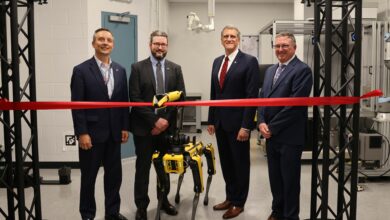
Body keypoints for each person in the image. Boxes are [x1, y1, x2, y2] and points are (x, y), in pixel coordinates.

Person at [71, 28, 129, 220]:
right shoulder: (81, 70)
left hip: (113, 134)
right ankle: (87, 214)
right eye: (101, 39)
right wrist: (82, 133)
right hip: (92, 135)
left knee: (114, 178)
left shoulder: (120, 70)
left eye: (109, 40)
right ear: (94, 43)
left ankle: (112, 213)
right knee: (88, 179)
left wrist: (124, 127)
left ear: (113, 44)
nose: (105, 43)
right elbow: (77, 105)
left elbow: (123, 102)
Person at [129, 30, 186, 220]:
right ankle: (142, 207)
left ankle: (163, 201)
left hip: (166, 129)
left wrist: (164, 122)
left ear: (167, 46)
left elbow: (180, 98)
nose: (160, 47)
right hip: (144, 129)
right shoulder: (137, 68)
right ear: (150, 45)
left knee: (164, 167)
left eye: (163, 44)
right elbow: (135, 98)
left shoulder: (175, 68)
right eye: (156, 44)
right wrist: (154, 121)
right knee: (142, 169)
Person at [258, 32, 313, 220]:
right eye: (277, 46)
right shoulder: (270, 71)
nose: (280, 50)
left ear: (294, 48)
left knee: (289, 181)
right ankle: (277, 211)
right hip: (270, 135)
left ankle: (290, 216)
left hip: (289, 136)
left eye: (285, 46)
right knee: (275, 179)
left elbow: (294, 106)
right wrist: (261, 122)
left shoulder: (302, 70)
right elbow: (263, 98)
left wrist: (271, 127)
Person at [207, 25, 260, 219]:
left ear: (238, 40)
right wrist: (211, 119)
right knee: (227, 164)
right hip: (220, 123)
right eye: (226, 36)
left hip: (238, 125)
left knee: (240, 164)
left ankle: (239, 203)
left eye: (233, 36)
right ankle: (230, 197)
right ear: (221, 40)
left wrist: (246, 126)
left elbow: (251, 96)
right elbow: (214, 93)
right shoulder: (216, 62)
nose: (229, 39)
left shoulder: (249, 62)